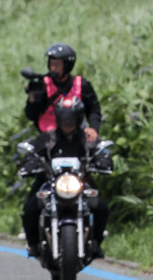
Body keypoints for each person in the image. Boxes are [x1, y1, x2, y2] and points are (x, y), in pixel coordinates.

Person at [21, 96, 110, 258]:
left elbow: (101, 152)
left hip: (81, 182)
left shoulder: (87, 138)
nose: (68, 122)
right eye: (64, 119)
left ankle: (96, 243)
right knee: (30, 207)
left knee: (101, 207)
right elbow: (32, 153)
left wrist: (104, 161)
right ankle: (33, 244)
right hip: (50, 181)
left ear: (78, 119)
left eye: (71, 119)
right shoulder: (47, 138)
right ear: (58, 118)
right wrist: (29, 164)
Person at [25, 43, 102, 142]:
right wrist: (32, 98)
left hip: (76, 138)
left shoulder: (81, 84)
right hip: (48, 139)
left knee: (102, 153)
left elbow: (93, 110)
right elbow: (31, 115)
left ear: (67, 66)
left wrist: (93, 129)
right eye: (51, 64)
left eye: (56, 64)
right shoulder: (43, 85)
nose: (52, 68)